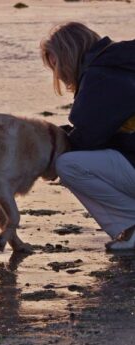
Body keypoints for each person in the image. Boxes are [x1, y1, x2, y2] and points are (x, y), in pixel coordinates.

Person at [40, 22, 135, 251]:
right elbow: (104, 128)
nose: (57, 73)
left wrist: (46, 152)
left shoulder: (101, 75)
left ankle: (131, 226)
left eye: (54, 63)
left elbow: (88, 140)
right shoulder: (121, 62)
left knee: (69, 165)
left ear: (67, 55)